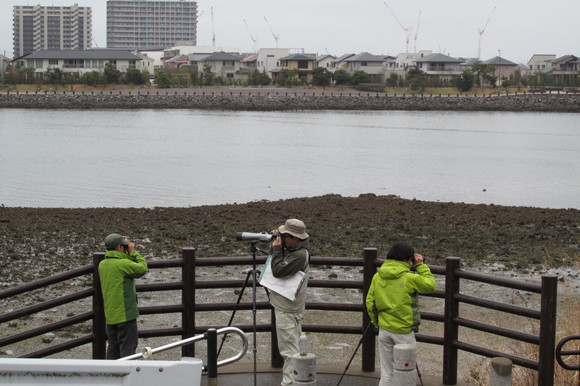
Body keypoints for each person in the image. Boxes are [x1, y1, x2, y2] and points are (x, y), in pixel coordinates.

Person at [366, 242, 436, 386]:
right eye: (411, 260)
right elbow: (430, 285)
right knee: (406, 373)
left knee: (387, 374)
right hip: (404, 333)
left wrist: (377, 323)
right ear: (407, 260)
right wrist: (420, 265)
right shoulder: (409, 278)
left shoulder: (378, 276)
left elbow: (370, 303)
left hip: (384, 330)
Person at [269, 219, 310, 386]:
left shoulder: (299, 255)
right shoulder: (296, 249)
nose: (282, 238)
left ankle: (290, 382)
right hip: (289, 306)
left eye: (285, 235)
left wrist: (276, 250)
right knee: (293, 346)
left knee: (289, 350)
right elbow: (278, 261)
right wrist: (275, 247)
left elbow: (278, 270)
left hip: (287, 308)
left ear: (294, 238)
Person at [99, 233, 148, 359]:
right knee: (128, 347)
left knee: (113, 347)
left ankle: (110, 375)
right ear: (119, 248)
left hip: (110, 314)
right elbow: (142, 268)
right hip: (125, 313)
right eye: (124, 246)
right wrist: (133, 252)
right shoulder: (123, 264)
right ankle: (127, 374)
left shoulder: (102, 264)